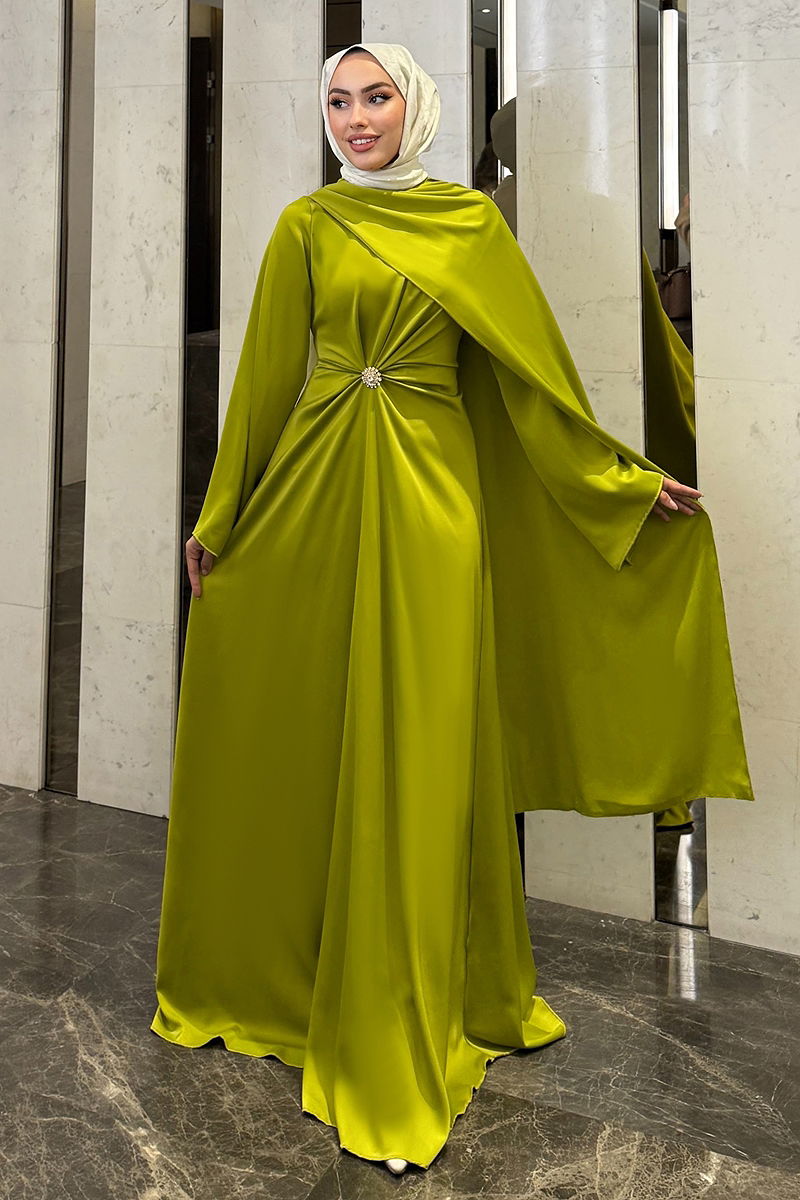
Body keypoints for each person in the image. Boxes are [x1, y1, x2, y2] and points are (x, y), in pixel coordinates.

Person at [150, 43, 753, 1175]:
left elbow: (534, 381)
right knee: (304, 727)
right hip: (313, 496)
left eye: (375, 97)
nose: (355, 118)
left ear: (414, 107)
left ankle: (409, 1007)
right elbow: (264, 381)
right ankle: (283, 972)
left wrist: (620, 483)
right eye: (338, 100)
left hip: (432, 499)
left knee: (419, 748)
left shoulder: (470, 225)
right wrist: (220, 517)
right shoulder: (305, 226)